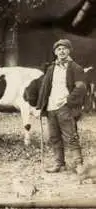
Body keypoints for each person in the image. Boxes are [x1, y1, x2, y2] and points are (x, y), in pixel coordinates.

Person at [36, 39, 87, 173]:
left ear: (69, 51)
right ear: (55, 52)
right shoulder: (51, 68)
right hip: (51, 107)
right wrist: (40, 107)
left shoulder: (75, 68)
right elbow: (44, 89)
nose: (62, 51)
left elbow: (81, 88)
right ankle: (59, 164)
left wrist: (67, 100)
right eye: (59, 49)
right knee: (54, 137)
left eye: (64, 48)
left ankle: (78, 165)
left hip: (65, 108)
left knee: (71, 136)